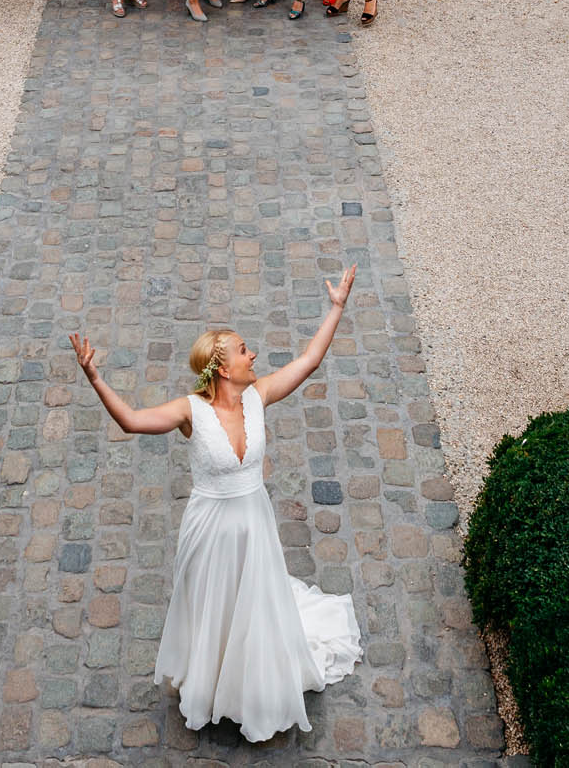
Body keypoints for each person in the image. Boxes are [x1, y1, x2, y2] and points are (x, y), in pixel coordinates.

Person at [68, 266, 363, 743]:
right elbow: (132, 421)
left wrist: (337, 308)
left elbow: (308, 361)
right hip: (209, 529)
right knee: (215, 609)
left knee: (256, 608)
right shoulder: (191, 411)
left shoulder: (259, 395)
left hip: (254, 526)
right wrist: (94, 377)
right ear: (223, 368)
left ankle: (252, 686)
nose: (254, 355)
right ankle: (214, 682)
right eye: (245, 351)